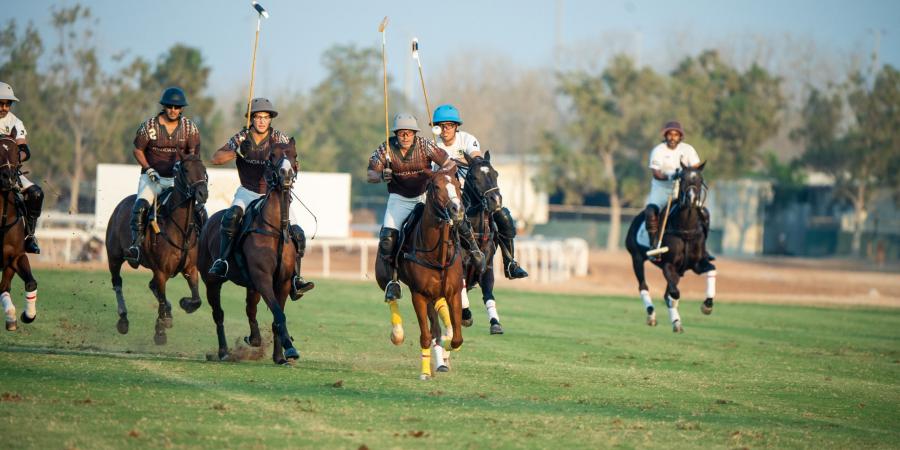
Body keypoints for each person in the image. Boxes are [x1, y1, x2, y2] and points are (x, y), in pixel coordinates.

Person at [367, 112, 484, 301]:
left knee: (452, 221)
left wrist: (440, 175)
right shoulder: (386, 148)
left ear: (414, 133)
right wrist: (382, 175)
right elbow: (370, 174)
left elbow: (448, 164)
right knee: (388, 239)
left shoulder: (425, 145)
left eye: (409, 133)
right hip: (399, 199)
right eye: (401, 133)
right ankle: (393, 282)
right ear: (396, 134)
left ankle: (474, 251)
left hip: (423, 197)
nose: (405, 136)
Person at [208, 98, 314, 300]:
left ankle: (295, 278)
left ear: (270, 119)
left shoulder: (279, 139)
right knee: (231, 218)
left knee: (297, 233)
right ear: (252, 119)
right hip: (248, 192)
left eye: (266, 117)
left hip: (272, 195)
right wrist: (237, 152)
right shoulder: (241, 137)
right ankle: (222, 261)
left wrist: (292, 167)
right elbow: (215, 158)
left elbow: (292, 159)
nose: (262, 121)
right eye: (258, 117)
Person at [432, 104, 528, 279]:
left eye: (450, 125)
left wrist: (455, 160)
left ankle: (510, 263)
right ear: (436, 128)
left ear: (456, 127)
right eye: (442, 126)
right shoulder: (433, 147)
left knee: (503, 215)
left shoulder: (468, 139)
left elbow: (477, 158)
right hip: (448, 199)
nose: (446, 129)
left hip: (470, 194)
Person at [124, 87, 202, 267]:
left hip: (177, 181)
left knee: (198, 210)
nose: (173, 110)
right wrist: (148, 168)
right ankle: (136, 246)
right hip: (152, 178)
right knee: (140, 206)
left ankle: (200, 245)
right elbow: (137, 150)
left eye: (177, 107)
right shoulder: (149, 126)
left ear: (181, 108)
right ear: (164, 107)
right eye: (170, 106)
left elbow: (193, 155)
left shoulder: (190, 128)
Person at [644, 120, 713, 261]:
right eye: (670, 134)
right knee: (651, 212)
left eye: (676, 135)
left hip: (683, 189)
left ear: (680, 136)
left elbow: (695, 169)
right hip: (661, 189)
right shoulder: (658, 150)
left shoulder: (688, 150)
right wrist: (671, 175)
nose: (673, 137)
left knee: (704, 213)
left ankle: (703, 249)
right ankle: (654, 246)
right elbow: (656, 173)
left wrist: (691, 176)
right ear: (665, 135)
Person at [0, 82, 44, 254]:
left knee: (36, 194)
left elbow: (24, 149)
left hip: (9, 172)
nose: (4, 107)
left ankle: (29, 236)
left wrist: (14, 160)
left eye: (7, 104)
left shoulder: (15, 122)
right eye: (1, 103)